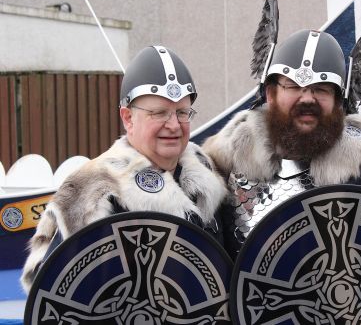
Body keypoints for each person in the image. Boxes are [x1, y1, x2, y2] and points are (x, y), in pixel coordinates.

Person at [202, 28, 361, 286]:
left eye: (320, 89)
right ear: (271, 94)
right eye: (294, 86)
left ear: (338, 102)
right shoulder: (225, 163)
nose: (307, 98)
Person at [21, 45, 227, 292]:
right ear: (128, 118)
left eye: (182, 112)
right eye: (159, 113)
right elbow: (54, 295)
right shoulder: (90, 192)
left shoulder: (207, 171)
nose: (174, 125)